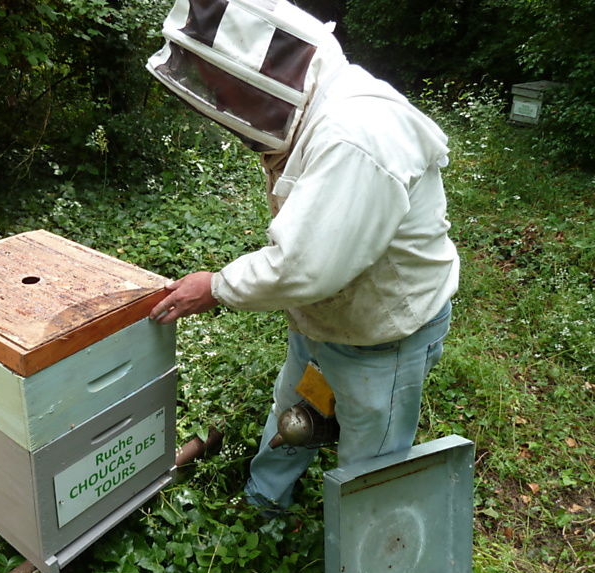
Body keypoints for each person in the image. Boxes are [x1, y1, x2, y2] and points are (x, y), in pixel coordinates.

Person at [146, 0, 459, 513]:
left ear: (264, 78)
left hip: (383, 334)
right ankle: (264, 501)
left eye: (227, 91)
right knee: (293, 406)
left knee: (369, 459)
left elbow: (305, 265)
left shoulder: (356, 136)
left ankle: (358, 550)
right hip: (324, 320)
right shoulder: (319, 109)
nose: (224, 102)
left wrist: (218, 286)